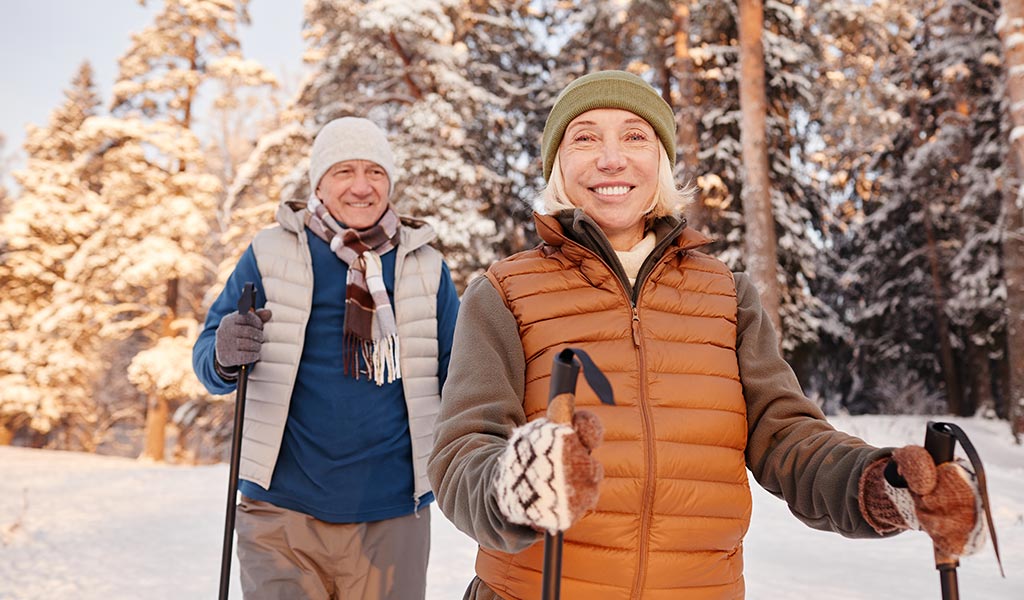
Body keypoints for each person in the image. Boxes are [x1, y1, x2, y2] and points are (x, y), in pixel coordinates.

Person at [427, 70, 986, 599]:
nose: (611, 157)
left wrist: (881, 484)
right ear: (558, 165)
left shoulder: (726, 295)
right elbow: (461, 453)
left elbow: (786, 437)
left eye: (635, 136)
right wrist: (515, 485)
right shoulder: (504, 291)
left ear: (662, 162)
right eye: (585, 137)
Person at [193, 116, 460, 600]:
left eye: (375, 173)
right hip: (281, 514)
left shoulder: (425, 267)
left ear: (390, 183)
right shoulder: (271, 252)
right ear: (319, 182)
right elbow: (208, 356)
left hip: (393, 515)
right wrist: (226, 351)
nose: (362, 187)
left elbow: (462, 378)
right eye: (344, 172)